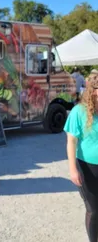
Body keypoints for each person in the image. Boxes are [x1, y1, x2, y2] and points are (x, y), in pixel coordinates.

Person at [64, 73, 98, 242]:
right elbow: (71, 141)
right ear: (94, 91)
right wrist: (72, 169)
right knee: (93, 210)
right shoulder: (79, 111)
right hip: (87, 167)